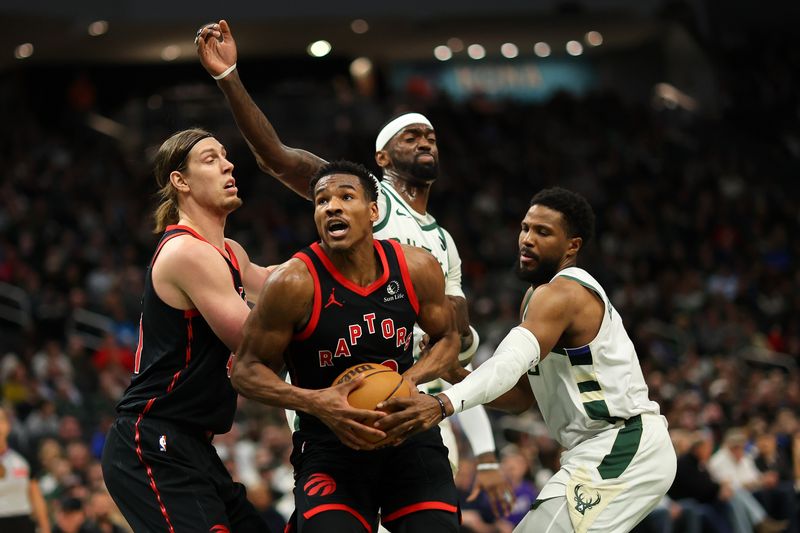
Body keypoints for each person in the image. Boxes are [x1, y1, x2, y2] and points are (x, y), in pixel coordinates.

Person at [194, 19, 512, 516]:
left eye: (430, 134)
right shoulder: (366, 196)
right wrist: (230, 76)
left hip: (407, 399)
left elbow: (452, 340)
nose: (426, 140)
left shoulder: (441, 245)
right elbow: (275, 157)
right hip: (337, 390)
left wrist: (483, 441)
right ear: (381, 157)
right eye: (411, 135)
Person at [376, 187, 678, 532]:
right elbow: (520, 397)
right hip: (597, 449)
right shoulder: (535, 296)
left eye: (543, 232)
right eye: (525, 228)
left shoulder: (563, 293)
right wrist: (454, 371)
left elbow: (508, 362)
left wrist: (442, 403)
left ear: (572, 246)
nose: (527, 239)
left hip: (623, 444)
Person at [231, 160, 462, 532]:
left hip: (406, 432)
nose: (332, 206)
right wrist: (315, 402)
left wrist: (410, 380)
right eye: (322, 201)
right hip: (330, 443)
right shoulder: (293, 282)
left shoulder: (416, 266)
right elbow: (245, 371)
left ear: (373, 211)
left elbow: (449, 338)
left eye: (345, 196)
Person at [100, 129, 273, 532]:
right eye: (210, 159)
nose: (228, 165)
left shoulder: (231, 252)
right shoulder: (187, 252)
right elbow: (252, 342)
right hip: (149, 442)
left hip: (191, 444)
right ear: (180, 181)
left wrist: (346, 258)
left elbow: (281, 283)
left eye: (226, 156)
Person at [0, 405, 50, 533]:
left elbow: (37, 497)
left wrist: (45, 528)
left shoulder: (23, 457)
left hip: (22, 522)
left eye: (1, 420)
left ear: (8, 426)